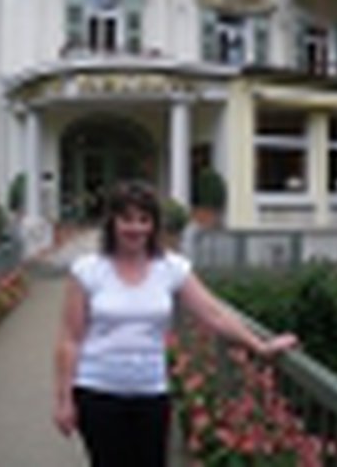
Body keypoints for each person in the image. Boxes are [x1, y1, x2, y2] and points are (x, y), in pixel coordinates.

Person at [53, 180, 299, 467]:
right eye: (127, 219)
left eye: (144, 219)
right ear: (113, 222)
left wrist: (259, 346)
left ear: (154, 225)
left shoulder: (171, 268)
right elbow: (69, 339)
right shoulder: (88, 270)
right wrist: (64, 400)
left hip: (150, 392)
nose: (135, 228)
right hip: (97, 391)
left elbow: (214, 314)